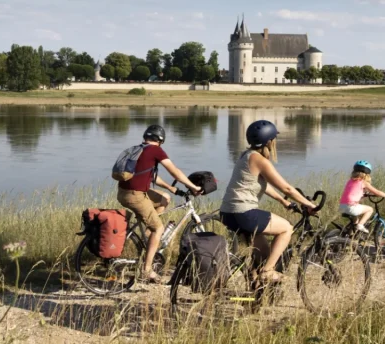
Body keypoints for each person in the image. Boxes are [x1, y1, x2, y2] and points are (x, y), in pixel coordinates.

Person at [220, 120, 319, 285]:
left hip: (228, 213)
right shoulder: (260, 160)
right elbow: (287, 188)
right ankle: (268, 271)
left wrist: (282, 201)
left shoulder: (246, 155)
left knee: (264, 253)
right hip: (244, 213)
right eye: (274, 139)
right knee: (287, 228)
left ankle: (255, 288)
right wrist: (309, 204)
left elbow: (260, 185)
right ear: (269, 141)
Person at [117, 124, 202, 282]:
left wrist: (171, 188)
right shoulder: (155, 150)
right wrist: (192, 186)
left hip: (125, 193)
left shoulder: (139, 149)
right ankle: (147, 270)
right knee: (159, 228)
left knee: (164, 198)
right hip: (135, 196)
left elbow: (151, 176)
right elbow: (173, 170)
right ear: (161, 140)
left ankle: (150, 237)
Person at [338, 160, 385, 234]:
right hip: (351, 207)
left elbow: (353, 193)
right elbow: (377, 192)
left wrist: (363, 194)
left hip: (342, 206)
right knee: (370, 209)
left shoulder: (350, 181)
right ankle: (360, 225)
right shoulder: (363, 182)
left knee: (355, 222)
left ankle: (350, 236)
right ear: (367, 174)